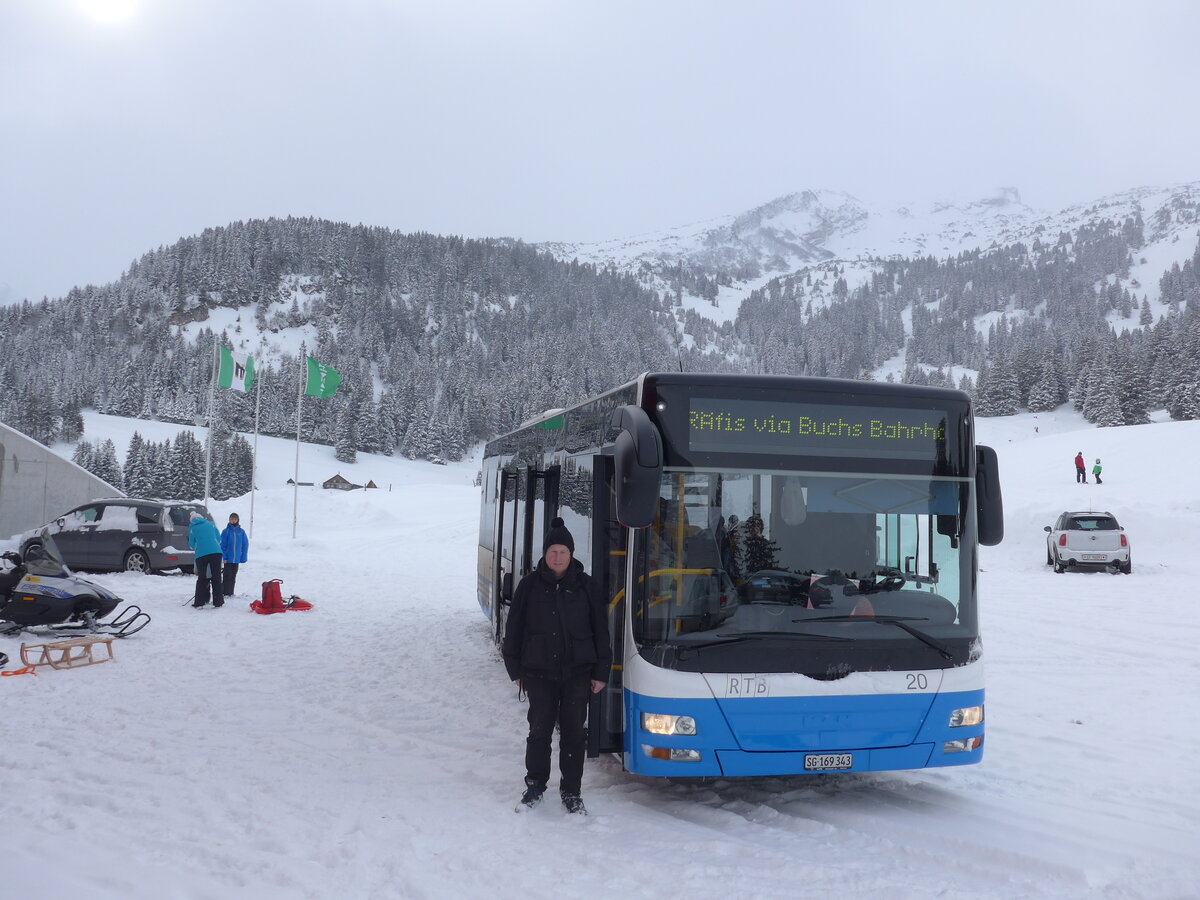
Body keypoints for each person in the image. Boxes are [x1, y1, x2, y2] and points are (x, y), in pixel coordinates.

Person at [502, 517, 611, 815]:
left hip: (578, 673)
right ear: (545, 554)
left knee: (575, 733)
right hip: (538, 674)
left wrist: (601, 672)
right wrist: (515, 671)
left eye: (563, 552)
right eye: (553, 552)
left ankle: (571, 791)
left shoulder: (587, 587)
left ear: (572, 554)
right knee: (539, 731)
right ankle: (535, 785)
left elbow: (601, 632)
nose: (558, 557)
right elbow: (514, 630)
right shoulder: (529, 586)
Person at [188, 513, 223, 608]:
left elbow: (191, 544)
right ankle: (218, 601)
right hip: (216, 552)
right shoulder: (210, 524)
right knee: (216, 577)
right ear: (202, 517)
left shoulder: (192, 528)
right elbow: (219, 539)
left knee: (202, 578)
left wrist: (199, 545)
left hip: (201, 554)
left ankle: (199, 602)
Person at [220, 513, 249, 598]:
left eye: (235, 519)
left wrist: (243, 556)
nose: (233, 520)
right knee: (227, 575)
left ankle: (231, 592)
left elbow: (245, 544)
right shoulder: (226, 531)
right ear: (229, 520)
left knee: (233, 575)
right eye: (232, 519)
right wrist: (224, 557)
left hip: (236, 559)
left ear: (237, 520)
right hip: (228, 559)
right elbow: (222, 545)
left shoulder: (241, 532)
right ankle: (225, 592)